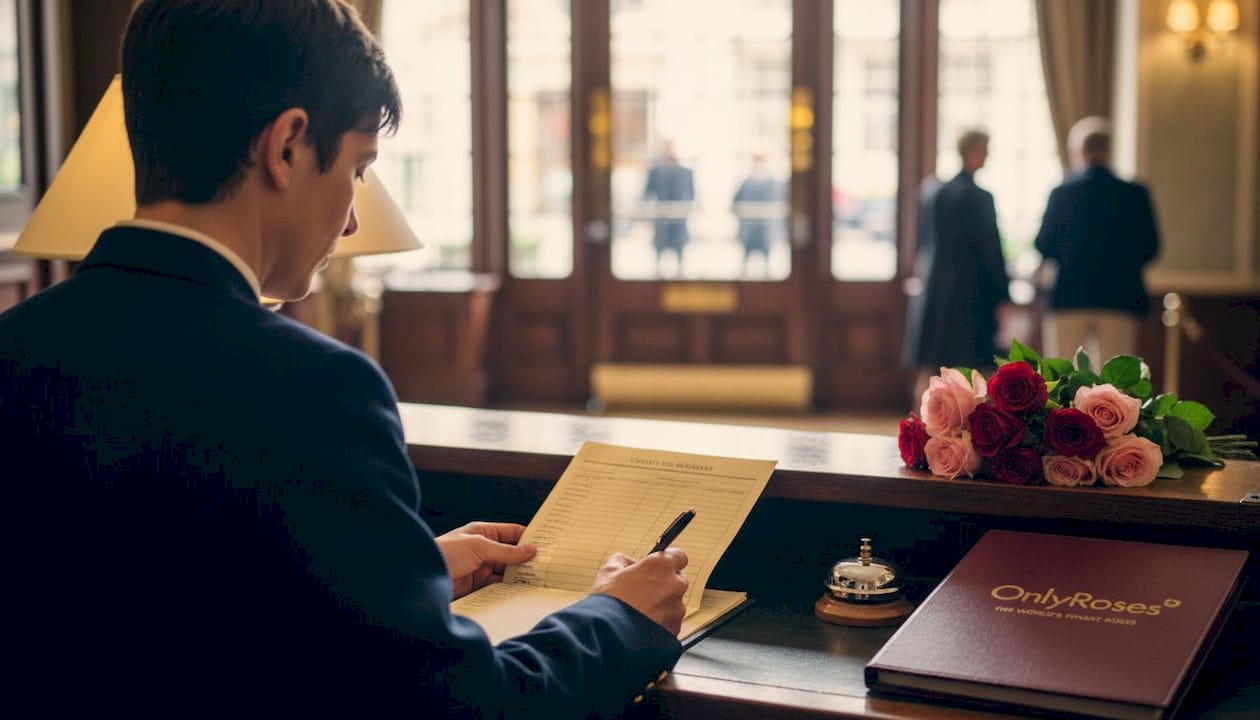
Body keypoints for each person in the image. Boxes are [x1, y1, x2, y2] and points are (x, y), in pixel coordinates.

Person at [0, 2, 689, 717]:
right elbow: (459, 710)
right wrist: (619, 619)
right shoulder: (314, 390)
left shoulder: (14, 348)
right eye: (359, 169)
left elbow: (161, 605)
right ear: (289, 145)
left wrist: (400, 573)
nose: (354, 218)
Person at [1035, 116, 1160, 363]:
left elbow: (1043, 245)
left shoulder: (1062, 193)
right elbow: (1151, 247)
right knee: (1114, 387)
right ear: (1108, 150)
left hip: (1069, 297)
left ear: (1078, 151)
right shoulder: (1134, 193)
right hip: (1120, 298)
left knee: (1063, 381)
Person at [902, 129, 1011, 404]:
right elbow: (991, 252)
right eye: (985, 149)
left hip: (934, 292)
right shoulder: (980, 198)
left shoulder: (931, 192)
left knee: (931, 366)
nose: (988, 155)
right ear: (974, 151)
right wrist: (1002, 294)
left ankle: (921, 423)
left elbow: (920, 243)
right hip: (970, 296)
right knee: (974, 369)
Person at [643, 139, 695, 276]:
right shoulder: (655, 172)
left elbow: (691, 194)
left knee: (679, 245)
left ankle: (680, 270)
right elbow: (647, 193)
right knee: (660, 244)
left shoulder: (685, 172)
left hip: (678, 217)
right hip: (661, 216)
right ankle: (658, 270)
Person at [732, 152, 784, 277]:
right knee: (747, 251)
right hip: (750, 226)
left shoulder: (774, 183)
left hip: (765, 226)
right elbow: (735, 202)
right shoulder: (747, 182)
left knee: (766, 251)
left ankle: (767, 271)